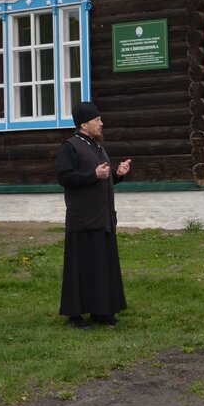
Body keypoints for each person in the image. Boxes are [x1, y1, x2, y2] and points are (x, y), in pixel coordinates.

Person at [57, 101, 131, 329]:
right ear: (83, 124)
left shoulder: (97, 147)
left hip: (103, 218)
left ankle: (102, 312)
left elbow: (101, 179)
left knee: (102, 266)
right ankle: (75, 316)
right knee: (82, 267)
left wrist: (117, 175)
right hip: (83, 219)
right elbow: (65, 178)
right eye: (97, 119)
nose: (102, 123)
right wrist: (92, 174)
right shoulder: (70, 147)